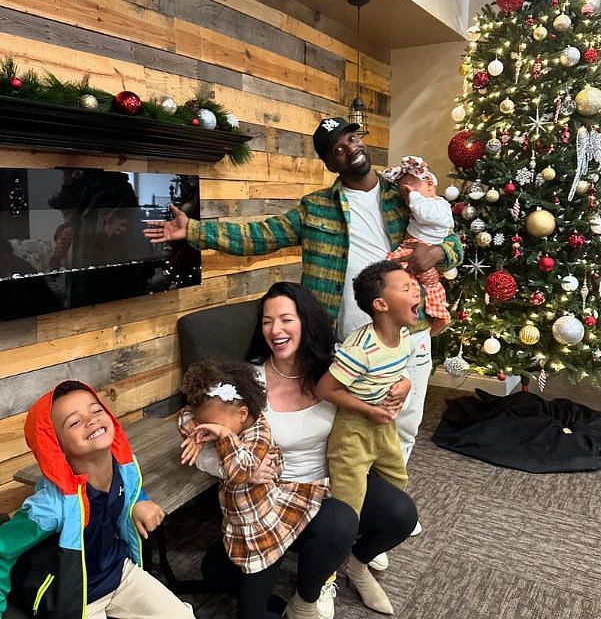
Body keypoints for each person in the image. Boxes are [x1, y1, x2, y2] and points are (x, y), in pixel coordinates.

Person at [146, 117, 446, 546]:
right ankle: (351, 512)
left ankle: (388, 507)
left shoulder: (405, 197)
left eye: (352, 138)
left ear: (361, 141)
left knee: (403, 425)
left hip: (407, 333)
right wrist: (193, 231)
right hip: (346, 338)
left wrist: (440, 251)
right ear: (329, 162)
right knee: (352, 428)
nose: (349, 148)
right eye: (337, 148)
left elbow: (448, 235)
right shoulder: (316, 208)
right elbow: (258, 235)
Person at [184, 282, 415, 618]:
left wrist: (404, 382)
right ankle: (310, 573)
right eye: (266, 321)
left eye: (286, 319)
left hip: (333, 481)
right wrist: (231, 468)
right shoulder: (246, 379)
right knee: (252, 612)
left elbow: (387, 366)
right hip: (273, 495)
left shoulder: (336, 366)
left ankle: (327, 581)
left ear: (306, 321)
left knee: (400, 515)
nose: (275, 330)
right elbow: (199, 427)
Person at [0, 381, 195, 619]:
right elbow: (2, 548)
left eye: (96, 410)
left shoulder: (126, 467)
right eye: (74, 422)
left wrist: (138, 502)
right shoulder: (50, 506)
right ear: (55, 446)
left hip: (119, 573)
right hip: (78, 597)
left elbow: (131, 490)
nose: (91, 420)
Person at [179, 361, 328, 597]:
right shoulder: (224, 414)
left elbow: (240, 472)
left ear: (243, 414)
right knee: (218, 573)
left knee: (251, 607)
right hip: (237, 520)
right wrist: (195, 431)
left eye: (214, 426)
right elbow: (186, 414)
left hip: (262, 522)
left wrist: (224, 434)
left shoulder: (260, 433)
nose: (210, 430)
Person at [316, 261, 416, 522]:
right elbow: (325, 389)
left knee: (397, 481)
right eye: (406, 287)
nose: (416, 289)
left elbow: (396, 372)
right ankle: (341, 550)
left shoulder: (404, 335)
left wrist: (406, 385)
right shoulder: (360, 349)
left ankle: (377, 532)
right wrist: (369, 410)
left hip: (384, 426)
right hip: (353, 432)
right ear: (381, 305)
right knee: (349, 499)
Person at [380, 156, 462, 336]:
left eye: (410, 190)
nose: (406, 197)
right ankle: (434, 314)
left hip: (419, 249)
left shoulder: (438, 206)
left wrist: (414, 196)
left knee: (396, 272)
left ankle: (437, 317)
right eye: (403, 193)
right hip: (411, 246)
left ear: (430, 184)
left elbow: (425, 215)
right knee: (419, 283)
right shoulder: (425, 204)